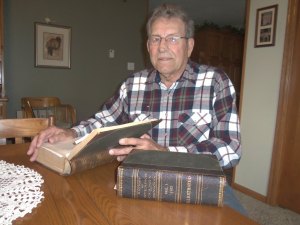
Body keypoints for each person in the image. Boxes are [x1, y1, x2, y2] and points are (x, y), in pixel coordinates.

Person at [27, 3, 241, 169]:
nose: (163, 47)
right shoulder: (132, 85)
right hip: (140, 178)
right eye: (156, 39)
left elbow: (230, 148)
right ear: (148, 46)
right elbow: (104, 122)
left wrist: (165, 153)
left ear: (190, 46)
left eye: (173, 39)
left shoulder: (216, 82)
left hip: (194, 183)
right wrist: (72, 133)